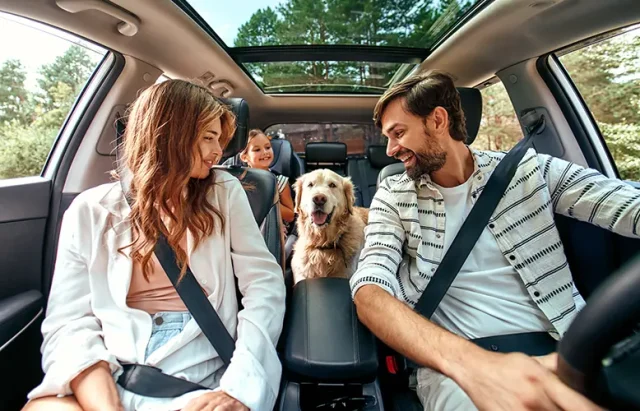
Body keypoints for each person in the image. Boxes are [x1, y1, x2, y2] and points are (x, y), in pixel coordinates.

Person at [348, 71, 635, 410]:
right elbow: (369, 290)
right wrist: (477, 368)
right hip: (457, 367)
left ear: (438, 120)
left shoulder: (529, 171)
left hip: (568, 351)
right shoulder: (393, 195)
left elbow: (622, 203)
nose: (391, 149)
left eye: (398, 133)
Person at [23, 80, 286, 411]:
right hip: (110, 370)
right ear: (167, 133)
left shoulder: (224, 191)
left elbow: (264, 286)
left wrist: (239, 388)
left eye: (219, 139)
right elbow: (69, 322)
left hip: (197, 378)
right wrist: (106, 403)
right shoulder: (90, 210)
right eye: (208, 137)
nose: (218, 151)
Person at [239, 129, 295, 235]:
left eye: (268, 147)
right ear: (244, 157)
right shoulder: (239, 181)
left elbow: (290, 215)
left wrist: (266, 202)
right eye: (257, 150)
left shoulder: (280, 181)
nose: (265, 152)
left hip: (273, 230)